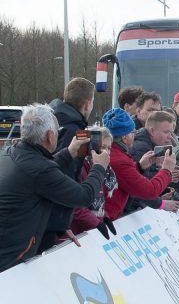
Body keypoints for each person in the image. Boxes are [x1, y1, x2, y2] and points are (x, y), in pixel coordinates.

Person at [0, 104, 110, 271]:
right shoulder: (39, 169)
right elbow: (84, 196)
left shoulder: (10, 151)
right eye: (57, 132)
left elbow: (40, 172)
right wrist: (99, 167)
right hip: (11, 258)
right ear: (50, 136)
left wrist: (69, 152)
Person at [41, 77, 95, 252]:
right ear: (87, 104)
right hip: (51, 218)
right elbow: (68, 174)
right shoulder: (76, 131)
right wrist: (62, 221)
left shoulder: (53, 120)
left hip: (44, 213)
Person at [101, 108, 176, 221]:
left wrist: (139, 167)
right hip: (103, 218)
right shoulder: (119, 159)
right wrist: (166, 170)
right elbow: (149, 191)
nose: (135, 134)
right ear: (124, 137)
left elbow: (123, 177)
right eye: (133, 132)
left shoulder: (115, 154)